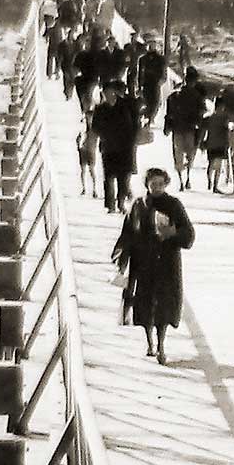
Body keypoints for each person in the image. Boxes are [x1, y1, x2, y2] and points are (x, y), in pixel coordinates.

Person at [111, 168, 195, 365]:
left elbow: (189, 233)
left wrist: (173, 234)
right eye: (153, 184)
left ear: (166, 184)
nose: (157, 188)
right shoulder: (139, 205)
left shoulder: (174, 205)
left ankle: (161, 345)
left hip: (167, 263)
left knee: (164, 307)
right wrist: (121, 260)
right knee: (145, 305)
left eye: (160, 184)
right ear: (146, 185)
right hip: (144, 263)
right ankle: (150, 342)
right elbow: (128, 233)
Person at [91, 80, 141, 212]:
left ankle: (120, 202)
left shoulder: (127, 106)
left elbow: (135, 124)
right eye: (105, 92)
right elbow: (95, 128)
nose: (107, 95)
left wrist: (133, 140)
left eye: (109, 92)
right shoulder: (100, 109)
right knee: (108, 176)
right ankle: (110, 205)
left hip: (125, 146)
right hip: (108, 147)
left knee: (123, 176)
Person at [163, 68, 207, 192]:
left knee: (178, 156)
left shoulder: (174, 95)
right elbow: (202, 112)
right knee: (190, 155)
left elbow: (169, 113)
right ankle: (187, 178)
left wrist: (167, 127)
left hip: (178, 129)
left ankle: (181, 181)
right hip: (191, 129)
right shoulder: (198, 96)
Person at [201, 95, 230, 194]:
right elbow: (227, 130)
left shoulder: (209, 118)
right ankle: (214, 185)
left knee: (211, 164)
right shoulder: (224, 118)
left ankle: (211, 182)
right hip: (220, 143)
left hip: (211, 143)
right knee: (217, 165)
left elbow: (204, 130)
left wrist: (202, 141)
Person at [137, 39, 168, 125]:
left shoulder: (160, 59)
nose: (150, 47)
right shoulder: (143, 59)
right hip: (146, 83)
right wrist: (139, 86)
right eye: (149, 45)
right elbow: (139, 73)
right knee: (147, 102)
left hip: (156, 83)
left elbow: (164, 71)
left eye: (153, 45)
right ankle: (147, 117)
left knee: (156, 102)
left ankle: (150, 117)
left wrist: (162, 80)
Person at [76, 128, 99, 198]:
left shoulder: (86, 130)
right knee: (91, 170)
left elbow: (78, 140)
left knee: (85, 170)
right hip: (90, 151)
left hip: (85, 150)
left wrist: (78, 144)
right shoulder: (96, 132)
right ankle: (93, 189)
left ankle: (86, 189)